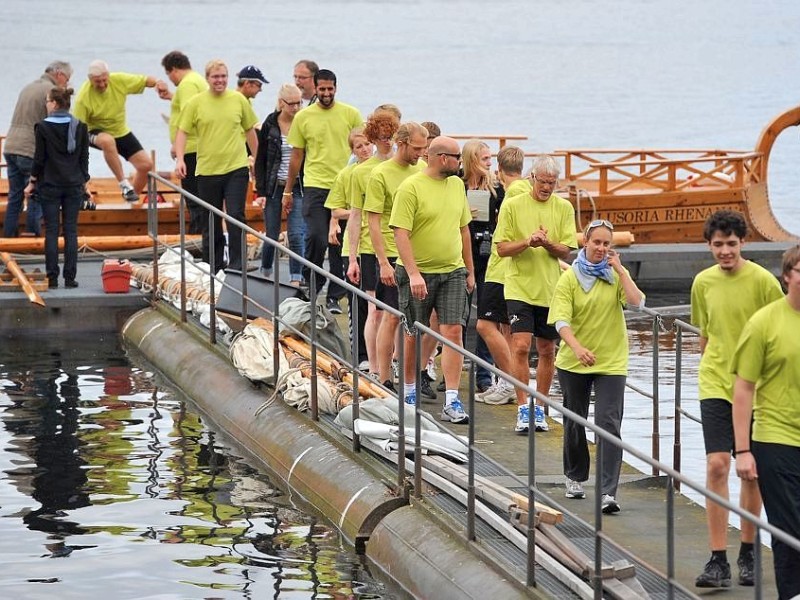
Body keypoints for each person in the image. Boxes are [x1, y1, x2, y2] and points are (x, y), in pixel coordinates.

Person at [691, 209, 784, 588]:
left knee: (750, 470)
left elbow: (780, 330)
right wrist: (713, 366)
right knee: (717, 466)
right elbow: (705, 335)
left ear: (742, 243)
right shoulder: (702, 283)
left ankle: (747, 551)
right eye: (718, 245)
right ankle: (717, 559)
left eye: (731, 244)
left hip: (758, 388)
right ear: (709, 245)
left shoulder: (763, 281)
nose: (725, 251)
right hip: (715, 383)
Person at [548, 219, 644, 514]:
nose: (601, 248)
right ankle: (575, 476)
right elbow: (561, 321)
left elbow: (637, 303)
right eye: (597, 242)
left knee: (608, 423)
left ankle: (607, 493)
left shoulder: (615, 276)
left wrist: (622, 271)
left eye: (606, 244)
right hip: (573, 361)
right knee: (575, 420)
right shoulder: (570, 278)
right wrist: (577, 348)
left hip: (611, 361)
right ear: (585, 244)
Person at [390, 136, 474, 424]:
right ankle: (410, 389)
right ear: (441, 158)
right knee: (414, 330)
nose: (460, 163)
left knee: (453, 332)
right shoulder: (411, 187)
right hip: (418, 271)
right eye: (457, 157)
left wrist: (470, 270)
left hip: (452, 270)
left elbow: (463, 229)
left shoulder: (457, 185)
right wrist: (413, 273)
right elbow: (399, 231)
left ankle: (452, 399)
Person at [732, 244, 800, 600]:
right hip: (776, 437)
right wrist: (743, 450)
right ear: (787, 276)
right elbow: (743, 388)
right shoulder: (765, 322)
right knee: (790, 528)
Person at [495, 154, 577, 434]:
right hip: (518, 286)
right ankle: (522, 407)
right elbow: (502, 248)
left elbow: (567, 250)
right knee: (519, 346)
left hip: (550, 287)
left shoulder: (564, 208)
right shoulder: (514, 205)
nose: (546, 188)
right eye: (542, 182)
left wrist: (547, 243)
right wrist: (528, 241)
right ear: (532, 178)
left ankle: (540, 408)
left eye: (552, 183)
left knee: (546, 349)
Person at [282, 69, 362, 299]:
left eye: (330, 89)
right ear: (314, 89)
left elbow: (361, 148)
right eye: (322, 89)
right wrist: (288, 190)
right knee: (316, 236)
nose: (326, 93)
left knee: (339, 242)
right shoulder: (304, 117)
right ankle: (312, 280)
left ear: (336, 88)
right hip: (315, 185)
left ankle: (336, 295)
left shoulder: (351, 114)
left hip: (345, 184)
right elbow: (297, 155)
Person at [175, 59, 259, 274]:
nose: (220, 80)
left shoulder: (238, 100)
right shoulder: (196, 102)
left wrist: (258, 160)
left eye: (223, 76)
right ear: (207, 79)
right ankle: (213, 263)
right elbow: (182, 131)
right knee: (210, 217)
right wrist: (180, 159)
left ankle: (237, 264)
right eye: (215, 77)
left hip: (236, 168)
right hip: (207, 170)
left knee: (235, 215)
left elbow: (250, 130)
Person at [363, 122, 428, 391]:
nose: (420, 153)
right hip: (391, 251)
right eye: (416, 148)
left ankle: (413, 373)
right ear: (401, 143)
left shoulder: (423, 170)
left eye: (424, 148)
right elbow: (374, 221)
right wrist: (383, 263)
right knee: (390, 316)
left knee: (416, 319)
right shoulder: (381, 174)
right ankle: (384, 375)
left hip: (418, 254)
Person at [345, 109, 400, 370]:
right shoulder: (361, 172)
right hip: (371, 246)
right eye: (381, 137)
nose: (387, 141)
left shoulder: (408, 167)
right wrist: (352, 257)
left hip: (403, 246)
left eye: (391, 136)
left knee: (399, 313)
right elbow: (355, 215)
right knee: (375, 310)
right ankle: (375, 366)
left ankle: (396, 364)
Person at [475, 145, 530, 405]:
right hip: (511, 270)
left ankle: (511, 380)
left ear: (499, 170)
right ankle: (507, 381)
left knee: (485, 325)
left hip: (501, 269)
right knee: (507, 329)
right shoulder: (523, 190)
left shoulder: (515, 193)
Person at [73, 60, 167, 202]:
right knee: (107, 141)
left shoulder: (119, 80)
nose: (102, 84)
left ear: (108, 76)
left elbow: (145, 81)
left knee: (146, 165)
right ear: (90, 80)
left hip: (120, 131)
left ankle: (130, 198)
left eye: (104, 80)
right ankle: (124, 184)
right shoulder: (83, 98)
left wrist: (159, 83)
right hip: (92, 131)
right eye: (98, 82)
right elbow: (76, 130)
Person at [23, 86, 89, 288]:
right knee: (71, 231)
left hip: (50, 185)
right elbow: (84, 158)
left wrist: (32, 182)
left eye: (47, 101)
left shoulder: (42, 127)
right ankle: (70, 278)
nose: (46, 104)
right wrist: (84, 181)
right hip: (73, 185)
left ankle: (52, 277)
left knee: (51, 230)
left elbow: (39, 159)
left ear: (55, 103)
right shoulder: (80, 126)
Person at [4, 60, 72, 237]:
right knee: (36, 195)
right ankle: (32, 238)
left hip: (11, 146)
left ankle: (9, 240)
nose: (67, 84)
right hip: (29, 149)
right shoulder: (51, 92)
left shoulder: (28, 87)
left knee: (15, 196)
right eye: (67, 79)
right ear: (59, 75)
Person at [324, 128, 375, 369]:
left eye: (367, 144)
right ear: (352, 151)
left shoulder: (381, 169)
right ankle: (361, 356)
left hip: (379, 244)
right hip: (354, 245)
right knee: (359, 303)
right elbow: (336, 210)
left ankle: (381, 356)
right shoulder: (347, 175)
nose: (365, 149)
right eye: (359, 147)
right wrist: (359, 210)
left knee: (380, 305)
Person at [461, 139, 504, 393]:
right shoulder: (457, 183)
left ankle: (484, 373)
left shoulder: (495, 187)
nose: (490, 164)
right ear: (472, 160)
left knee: (487, 314)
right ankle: (450, 368)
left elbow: (504, 216)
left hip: (487, 250)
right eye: (485, 159)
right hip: (461, 249)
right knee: (458, 315)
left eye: (491, 159)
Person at [254, 83, 306, 285]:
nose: (295, 108)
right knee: (272, 234)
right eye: (291, 104)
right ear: (281, 103)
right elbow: (261, 160)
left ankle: (296, 277)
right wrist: (260, 191)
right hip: (275, 185)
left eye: (298, 103)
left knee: (295, 233)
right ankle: (266, 268)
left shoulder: (304, 121)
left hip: (298, 185)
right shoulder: (270, 124)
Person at [160, 51, 208, 234]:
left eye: (168, 74)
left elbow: (190, 114)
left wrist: (177, 145)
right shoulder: (196, 80)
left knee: (193, 197)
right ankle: (201, 233)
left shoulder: (187, 84)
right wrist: (172, 97)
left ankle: (197, 235)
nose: (170, 79)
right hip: (198, 146)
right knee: (198, 194)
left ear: (173, 70)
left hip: (191, 148)